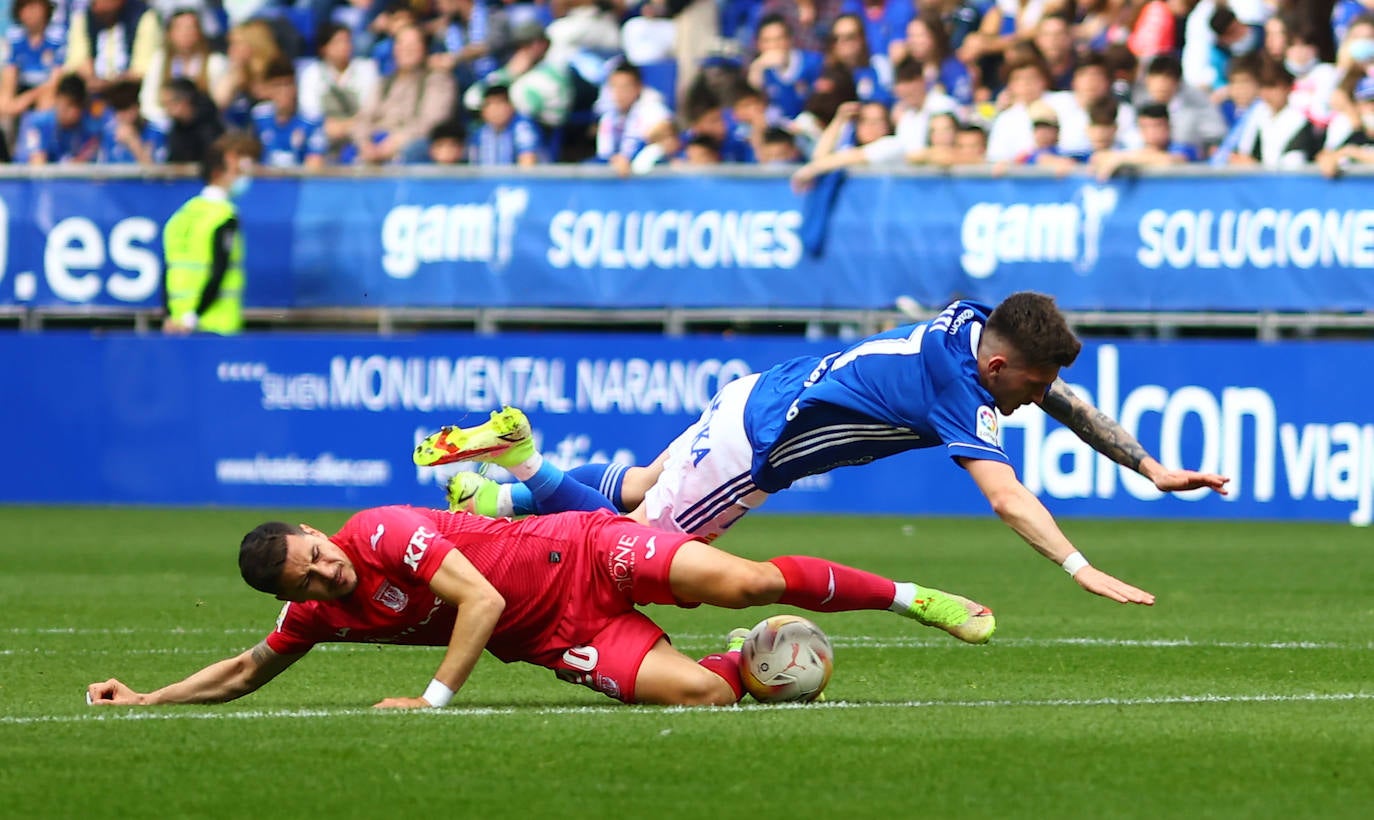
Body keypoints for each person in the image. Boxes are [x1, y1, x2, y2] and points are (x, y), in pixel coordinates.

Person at [420, 293, 1230, 606]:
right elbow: (1005, 496)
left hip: (754, 395)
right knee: (635, 558)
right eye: (1027, 384)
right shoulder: (963, 385)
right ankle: (522, 464)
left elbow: (1068, 399)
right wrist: (1080, 569)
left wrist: (1150, 468)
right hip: (754, 448)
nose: (1034, 397)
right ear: (995, 367)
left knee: (630, 492)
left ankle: (506, 493)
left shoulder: (978, 324)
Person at [85, 504, 995, 709]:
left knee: (749, 575)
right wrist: (151, 700)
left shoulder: (380, 531)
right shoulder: (322, 615)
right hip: (563, 635)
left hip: (585, 551)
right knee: (713, 699)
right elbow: (250, 666)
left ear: (321, 532)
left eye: (317, 558)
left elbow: (475, 601)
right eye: (308, 583)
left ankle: (915, 596)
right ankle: (751, 656)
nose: (326, 578)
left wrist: (432, 700)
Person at [161, 132, 261, 336]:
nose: (242, 178)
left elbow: (167, 272)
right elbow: (219, 271)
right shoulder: (224, 215)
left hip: (178, 325)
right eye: (237, 171)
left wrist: (170, 316)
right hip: (215, 325)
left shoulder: (181, 215)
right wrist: (193, 317)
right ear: (218, 173)